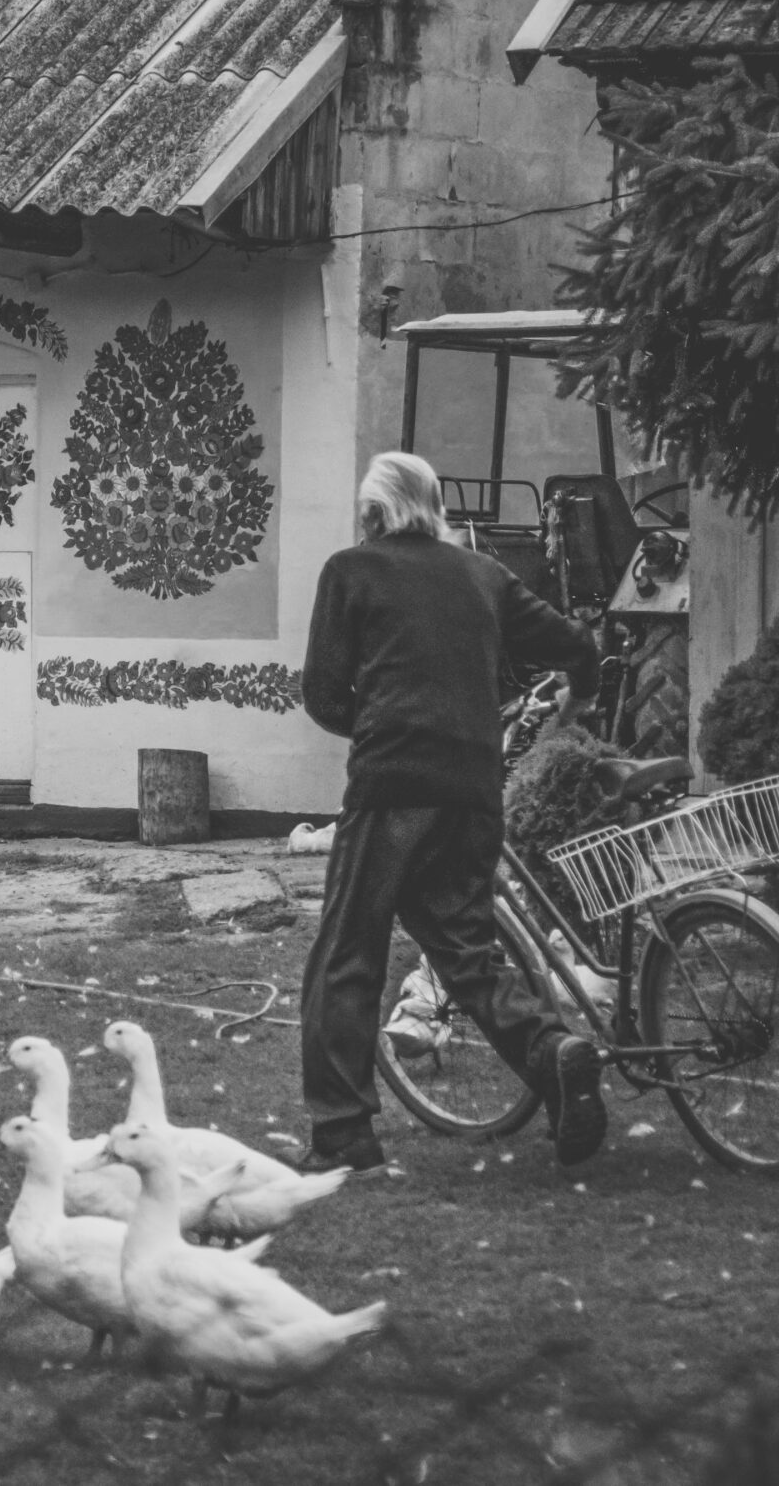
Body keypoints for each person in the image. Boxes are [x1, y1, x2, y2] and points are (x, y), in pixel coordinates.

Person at [294, 452, 608, 1173]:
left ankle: (343, 1135)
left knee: (346, 955)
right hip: (473, 789)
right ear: (434, 506)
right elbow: (576, 644)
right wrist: (579, 696)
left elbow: (321, 693)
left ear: (372, 512)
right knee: (466, 951)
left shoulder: (350, 571)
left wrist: (375, 726)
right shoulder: (485, 576)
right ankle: (553, 1051)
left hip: (391, 788)